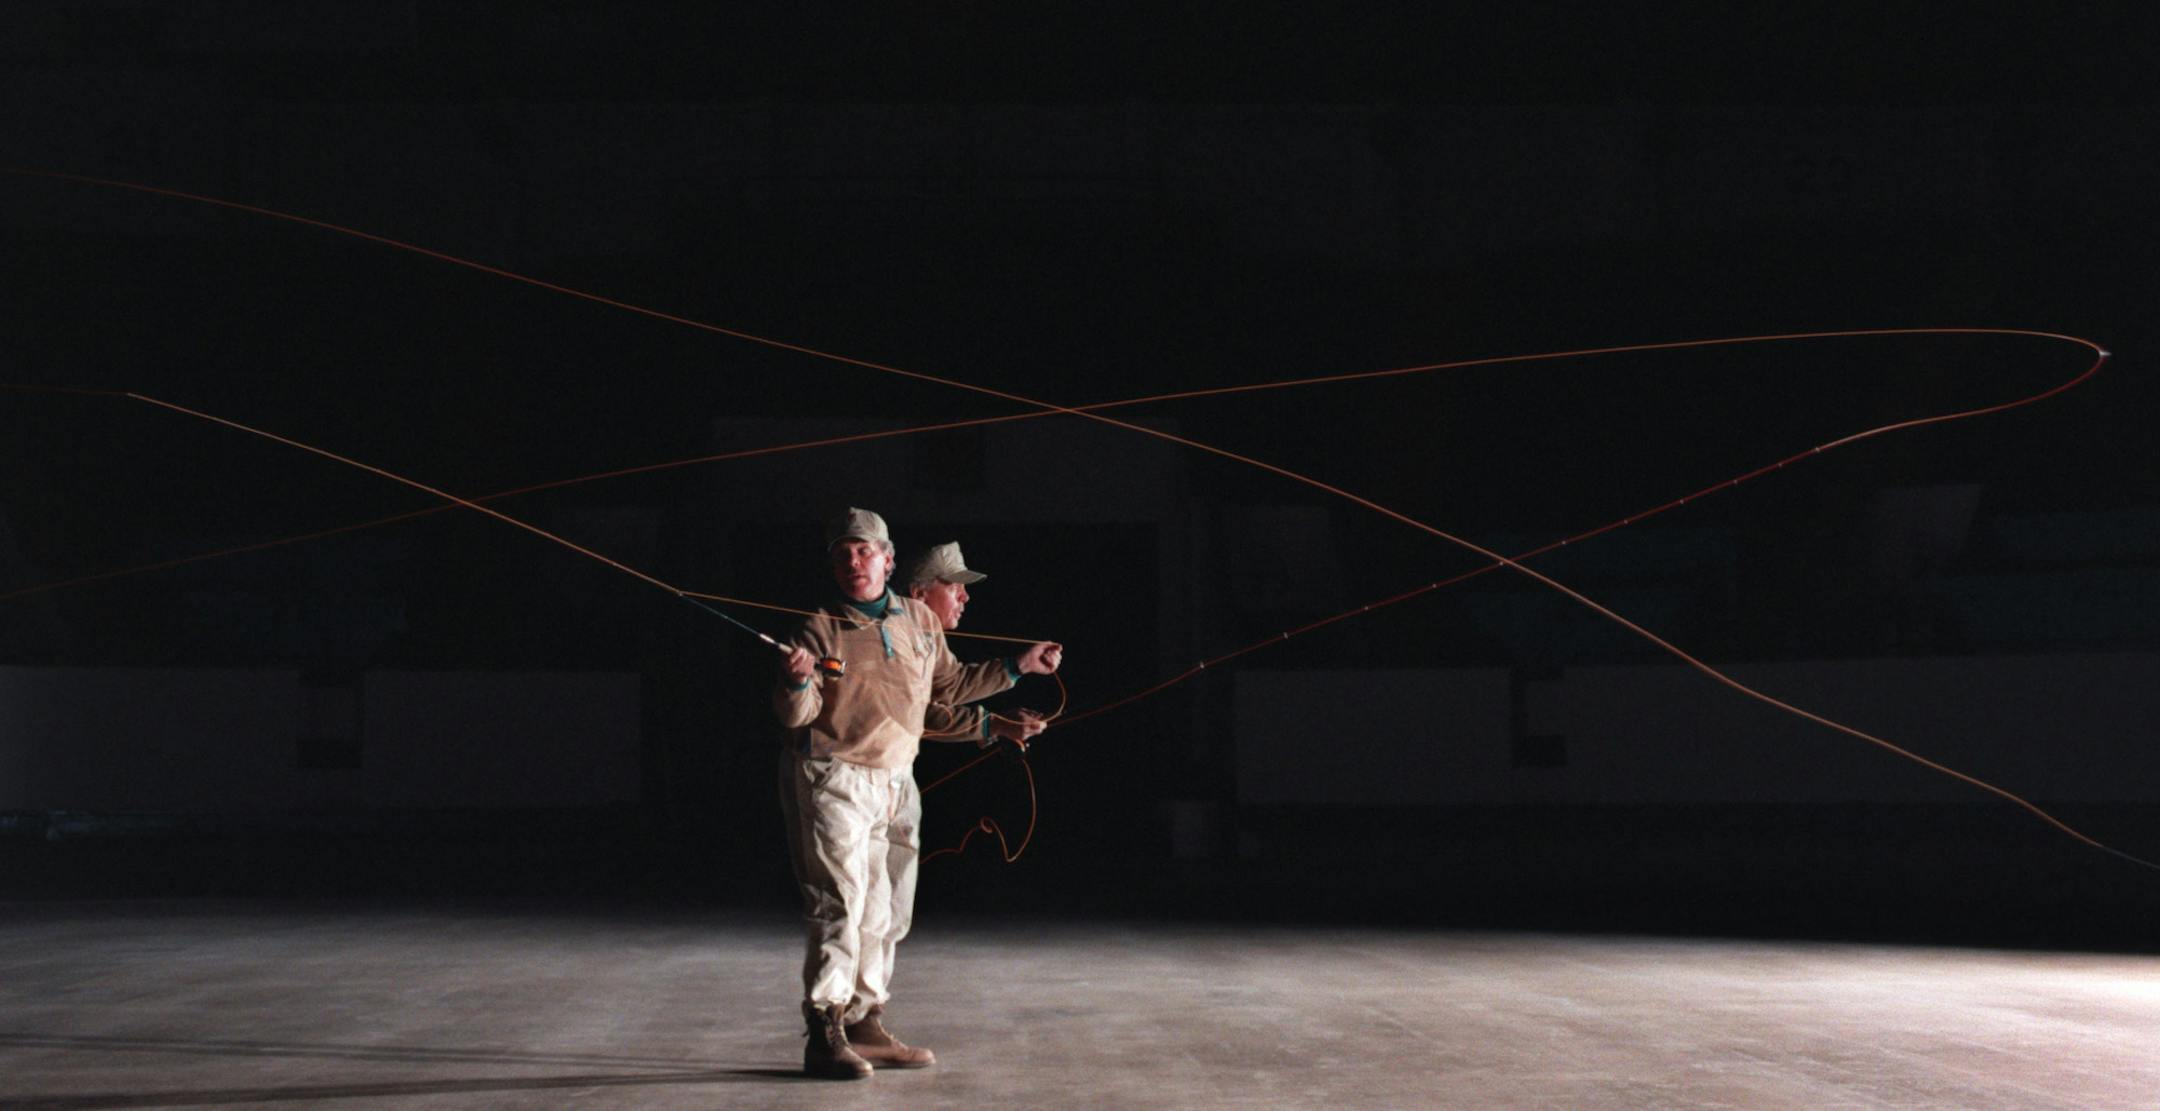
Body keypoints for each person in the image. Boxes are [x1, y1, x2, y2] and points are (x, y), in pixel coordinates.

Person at [775, 508, 1062, 1080]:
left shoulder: (918, 621)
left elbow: (947, 688)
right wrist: (797, 681)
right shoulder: (817, 628)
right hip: (834, 775)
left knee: (886, 905)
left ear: (886, 558)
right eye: (842, 555)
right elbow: (798, 718)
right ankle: (824, 1028)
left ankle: (864, 1020)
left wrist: (1015, 668)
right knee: (841, 901)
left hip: (897, 778)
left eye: (863, 551)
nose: (853, 562)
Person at [905, 540, 1049, 750]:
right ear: (918, 594)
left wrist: (1021, 665)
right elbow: (913, 713)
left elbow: (950, 685)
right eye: (954, 588)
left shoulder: (927, 636)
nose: (966, 596)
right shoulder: (894, 636)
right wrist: (994, 725)